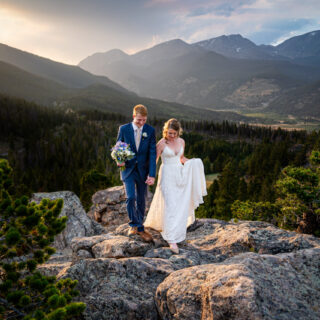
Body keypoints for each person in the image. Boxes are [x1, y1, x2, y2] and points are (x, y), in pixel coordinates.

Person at [144, 118, 207, 253]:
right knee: (170, 204)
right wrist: (150, 176)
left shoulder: (182, 142)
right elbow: (154, 161)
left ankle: (175, 229)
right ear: (165, 131)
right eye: (169, 133)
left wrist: (193, 163)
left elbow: (181, 159)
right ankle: (171, 239)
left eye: (174, 134)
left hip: (180, 174)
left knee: (178, 204)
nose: (171, 136)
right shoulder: (161, 143)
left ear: (179, 133)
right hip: (166, 174)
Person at [117, 104, 156, 242]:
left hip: (143, 171)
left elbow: (152, 153)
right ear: (134, 116)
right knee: (130, 197)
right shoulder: (124, 129)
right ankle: (134, 224)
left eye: (144, 120)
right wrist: (119, 160)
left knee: (141, 200)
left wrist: (151, 174)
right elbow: (119, 147)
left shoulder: (150, 131)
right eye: (139, 120)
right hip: (128, 169)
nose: (141, 123)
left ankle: (139, 227)